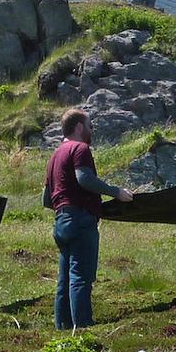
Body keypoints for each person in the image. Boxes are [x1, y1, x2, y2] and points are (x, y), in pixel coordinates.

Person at [43, 109, 133, 330]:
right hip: (81, 221)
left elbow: (46, 199)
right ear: (79, 127)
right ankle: (83, 329)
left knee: (64, 280)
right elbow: (84, 179)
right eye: (90, 126)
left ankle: (62, 328)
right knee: (81, 278)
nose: (92, 130)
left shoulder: (55, 156)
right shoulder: (80, 148)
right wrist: (115, 192)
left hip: (61, 222)